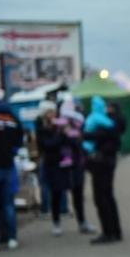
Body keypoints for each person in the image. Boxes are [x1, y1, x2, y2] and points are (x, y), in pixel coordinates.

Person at [83, 96, 123, 244]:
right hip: (107, 162)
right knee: (108, 197)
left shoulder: (103, 124)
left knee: (101, 198)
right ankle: (114, 231)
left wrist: (83, 136)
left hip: (101, 163)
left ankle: (109, 231)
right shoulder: (112, 123)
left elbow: (95, 136)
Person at [36, 100, 78, 237]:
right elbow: (47, 145)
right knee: (54, 192)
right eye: (50, 112)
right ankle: (56, 220)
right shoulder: (42, 128)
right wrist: (61, 135)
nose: (53, 114)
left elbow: (71, 142)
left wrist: (67, 132)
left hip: (63, 163)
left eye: (54, 111)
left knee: (63, 191)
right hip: (51, 164)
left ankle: (66, 213)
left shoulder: (60, 125)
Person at [59, 97, 96, 234]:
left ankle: (82, 222)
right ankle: (57, 222)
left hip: (77, 164)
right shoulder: (61, 128)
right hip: (65, 165)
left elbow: (82, 145)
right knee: (59, 193)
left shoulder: (80, 127)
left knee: (78, 194)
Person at [0, 98, 24, 251]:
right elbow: (20, 134)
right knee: (7, 204)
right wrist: (13, 151)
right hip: (8, 164)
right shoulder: (10, 113)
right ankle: (11, 237)